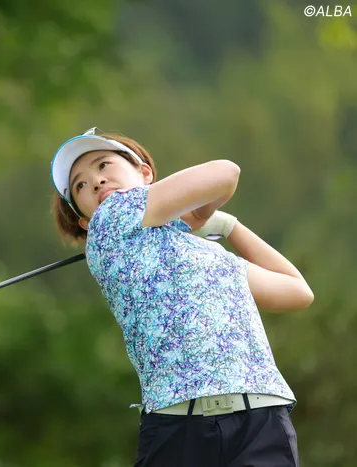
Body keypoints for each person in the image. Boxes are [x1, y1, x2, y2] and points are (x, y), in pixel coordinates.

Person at [49, 127, 314, 467]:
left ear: (145, 172)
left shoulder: (207, 254)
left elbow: (297, 291)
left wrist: (227, 226)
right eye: (80, 186)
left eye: (103, 165)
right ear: (86, 222)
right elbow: (225, 173)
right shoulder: (110, 220)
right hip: (180, 424)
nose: (96, 182)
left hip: (260, 416)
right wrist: (195, 212)